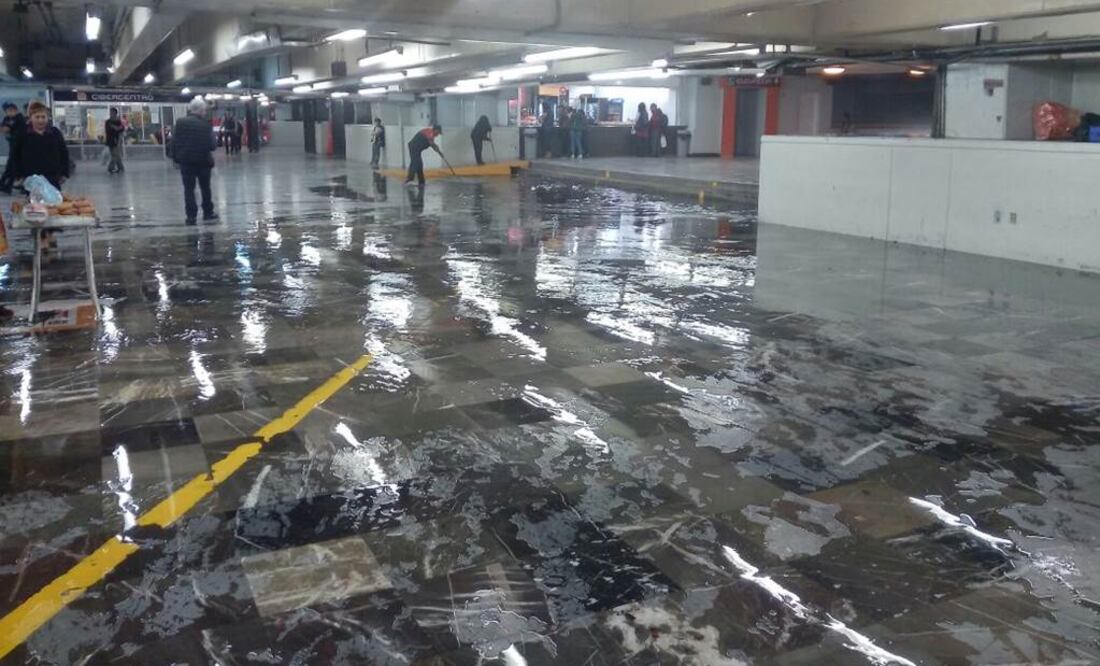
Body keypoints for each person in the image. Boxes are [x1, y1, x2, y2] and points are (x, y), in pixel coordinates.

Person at [171, 97, 219, 225]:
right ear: (199, 110)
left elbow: (173, 142)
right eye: (204, 110)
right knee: (205, 188)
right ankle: (208, 213)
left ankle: (191, 217)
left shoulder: (180, 123)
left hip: (186, 162)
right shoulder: (206, 125)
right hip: (203, 162)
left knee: (189, 189)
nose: (205, 112)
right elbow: (213, 145)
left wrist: (176, 158)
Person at [0, 102, 26, 194]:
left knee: (15, 166)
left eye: (11, 110)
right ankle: (6, 185)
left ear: (16, 110)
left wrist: (6, 128)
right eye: (7, 111)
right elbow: (3, 129)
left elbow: (6, 129)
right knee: (11, 166)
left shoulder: (19, 118)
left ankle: (7, 185)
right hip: (13, 145)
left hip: (21, 146)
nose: (10, 112)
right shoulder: (7, 118)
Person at [105, 108, 125, 174]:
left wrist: (115, 128)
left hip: (117, 140)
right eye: (110, 112)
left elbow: (121, 130)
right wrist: (116, 128)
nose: (111, 114)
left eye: (112, 112)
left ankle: (111, 168)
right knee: (115, 155)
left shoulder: (118, 122)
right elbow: (109, 130)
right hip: (110, 140)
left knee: (115, 155)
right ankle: (120, 168)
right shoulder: (108, 122)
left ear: (115, 113)